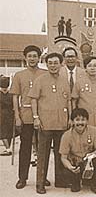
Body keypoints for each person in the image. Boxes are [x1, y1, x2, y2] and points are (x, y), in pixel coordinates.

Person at [28, 52, 71, 194]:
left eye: (55, 63)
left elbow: (69, 100)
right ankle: (40, 183)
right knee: (43, 155)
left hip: (62, 124)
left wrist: (70, 118)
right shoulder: (40, 79)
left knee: (61, 154)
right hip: (45, 124)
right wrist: (35, 117)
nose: (53, 65)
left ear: (61, 64)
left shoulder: (65, 80)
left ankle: (61, 180)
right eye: (50, 63)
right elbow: (33, 99)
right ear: (47, 64)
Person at [9, 45, 47, 189]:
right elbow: (15, 97)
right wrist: (17, 117)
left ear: (39, 58)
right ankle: (22, 178)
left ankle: (41, 177)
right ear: (25, 58)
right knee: (25, 148)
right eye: (29, 56)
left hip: (42, 117)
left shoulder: (45, 73)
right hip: (26, 117)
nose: (32, 58)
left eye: (35, 56)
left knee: (42, 149)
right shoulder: (19, 75)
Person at [59, 108, 96, 194]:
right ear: (72, 121)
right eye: (77, 120)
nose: (80, 123)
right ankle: (76, 182)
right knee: (64, 171)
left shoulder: (94, 131)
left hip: (89, 161)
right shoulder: (66, 135)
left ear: (87, 121)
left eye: (83, 120)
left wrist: (92, 155)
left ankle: (94, 184)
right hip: (76, 163)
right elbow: (63, 157)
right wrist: (70, 167)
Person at [0, 76, 14, 156]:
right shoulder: (11, 94)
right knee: (9, 132)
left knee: (2, 132)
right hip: (10, 114)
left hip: (2, 114)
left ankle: (8, 149)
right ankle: (8, 147)